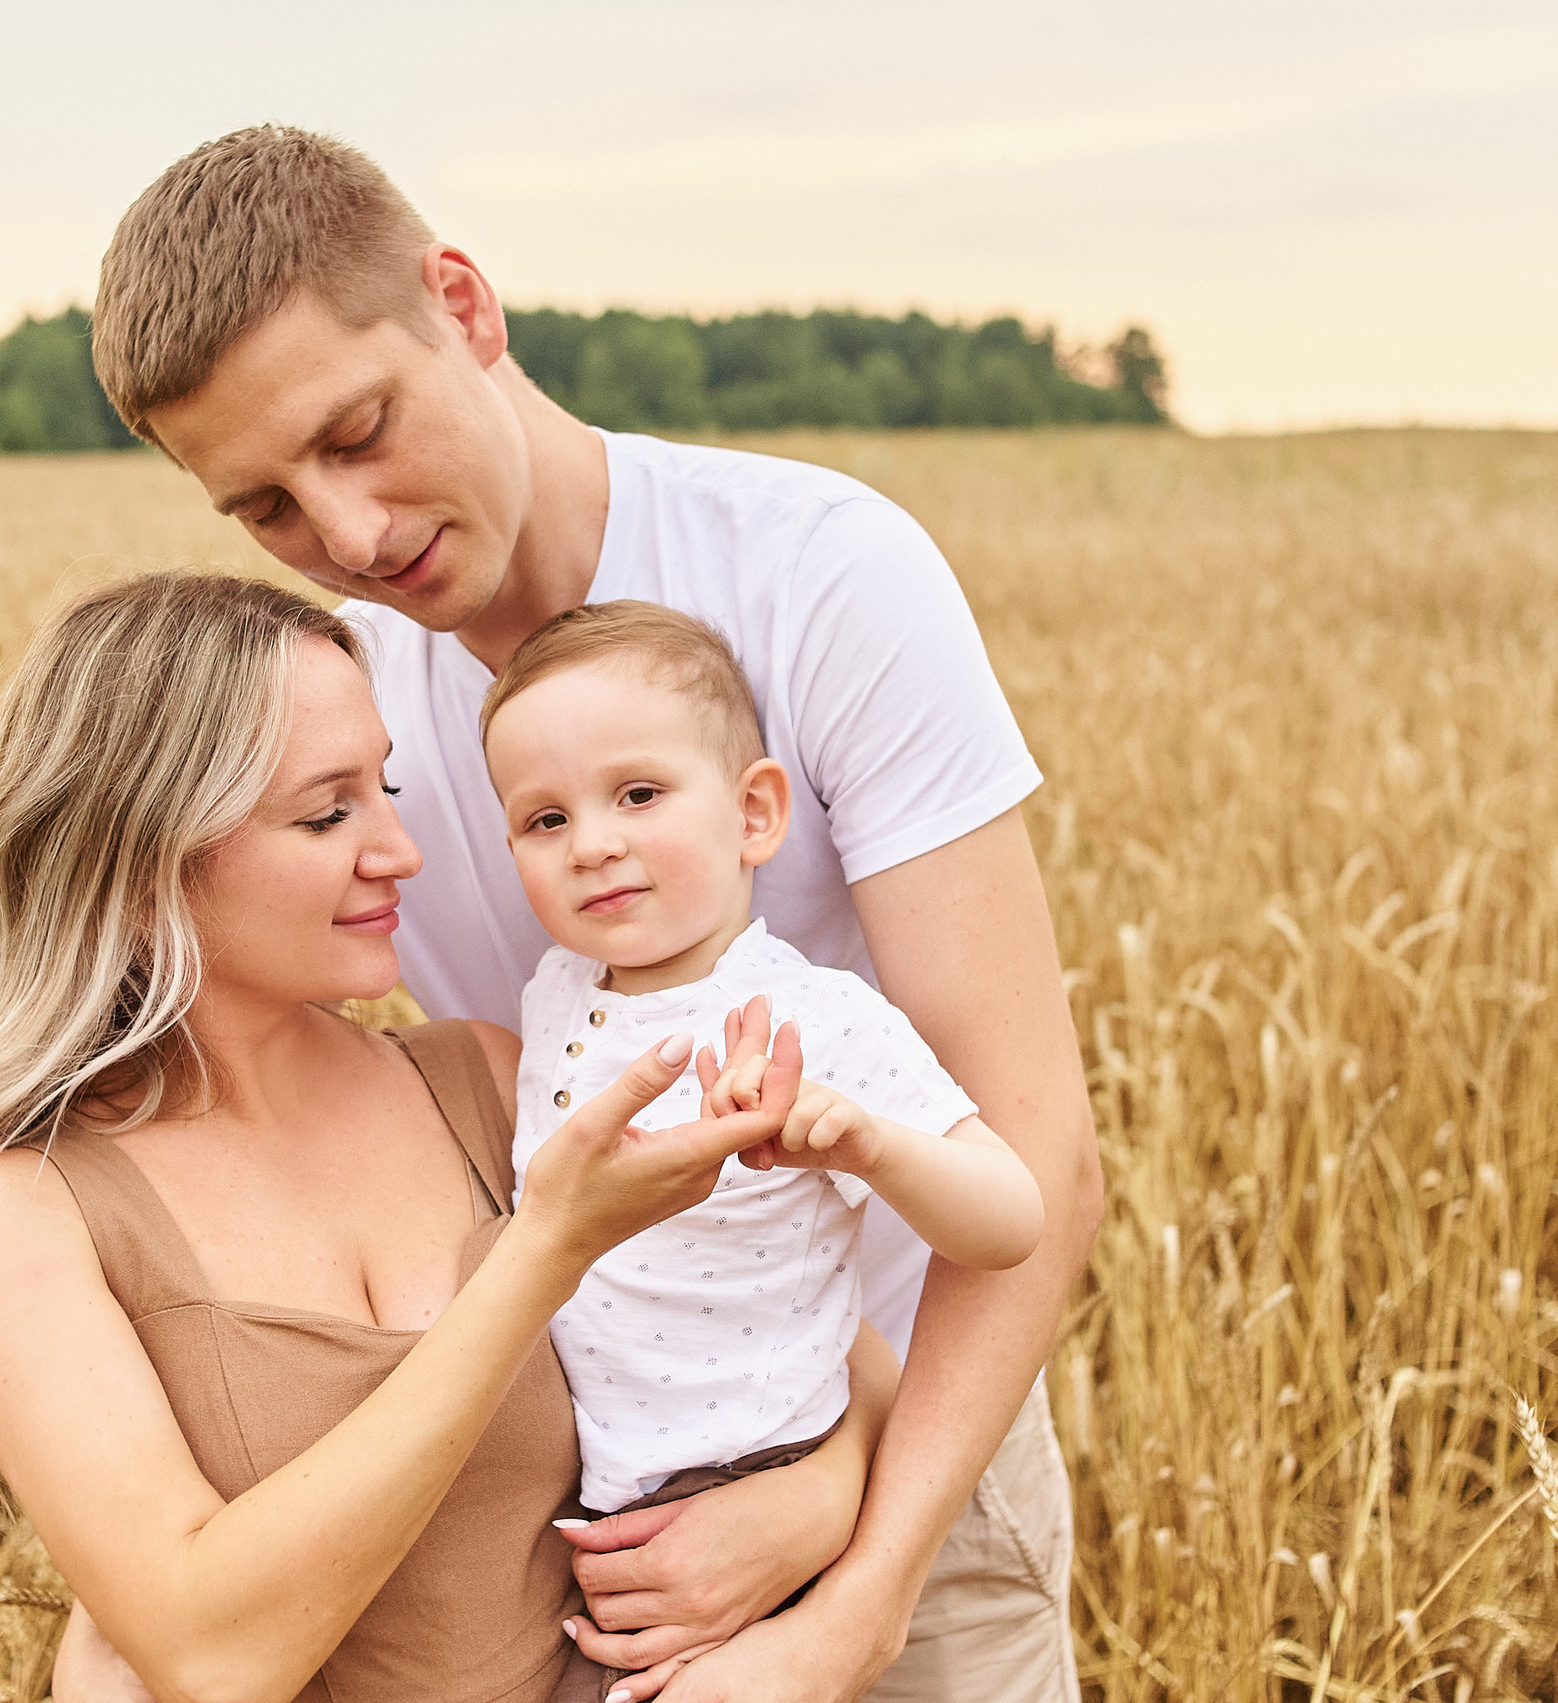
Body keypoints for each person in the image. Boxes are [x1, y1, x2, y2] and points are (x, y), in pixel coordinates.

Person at [77, 125, 1102, 1703]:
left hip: (920, 1449)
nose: (347, 538)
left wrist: (854, 1580)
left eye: (359, 430)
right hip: (582, 1496)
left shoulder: (822, 579)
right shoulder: (350, 717)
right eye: (265, 509)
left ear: (465, 307)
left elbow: (1037, 1154)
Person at [0, 572, 892, 1703]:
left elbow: (817, 1333)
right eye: (328, 812)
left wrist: (817, 1493)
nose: (400, 850)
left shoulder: (496, 1079)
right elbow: (213, 1656)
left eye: (388, 787)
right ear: (135, 864)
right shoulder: (15, 1216)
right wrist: (541, 1252)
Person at [480, 600, 1045, 1520]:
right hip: (597, 1486)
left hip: (755, 1473)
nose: (592, 844)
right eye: (545, 819)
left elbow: (1012, 1219)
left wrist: (868, 1146)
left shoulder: (812, 1018)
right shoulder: (557, 992)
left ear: (754, 812)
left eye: (638, 794)